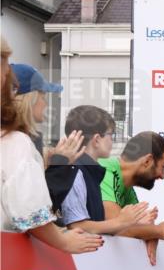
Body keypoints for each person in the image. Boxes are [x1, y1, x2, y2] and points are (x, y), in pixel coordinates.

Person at [1, 40, 103, 253]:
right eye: (43, 96)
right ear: (27, 98)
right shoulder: (16, 142)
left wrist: (52, 167)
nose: (46, 104)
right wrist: (63, 241)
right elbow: (28, 213)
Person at [48, 105, 153, 234]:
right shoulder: (75, 171)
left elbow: (94, 222)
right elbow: (78, 226)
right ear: (97, 140)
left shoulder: (88, 171)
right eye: (111, 135)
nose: (112, 141)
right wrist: (121, 222)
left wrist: (134, 222)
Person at [100, 131, 164, 265]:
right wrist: (158, 231)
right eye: (163, 167)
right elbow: (117, 227)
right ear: (147, 161)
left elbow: (140, 225)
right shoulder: (106, 170)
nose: (163, 175)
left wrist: (152, 234)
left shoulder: (125, 184)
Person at [10, 63, 62, 157]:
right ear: (29, 100)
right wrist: (59, 162)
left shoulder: (22, 138)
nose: (46, 103)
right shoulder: (19, 142)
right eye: (42, 98)